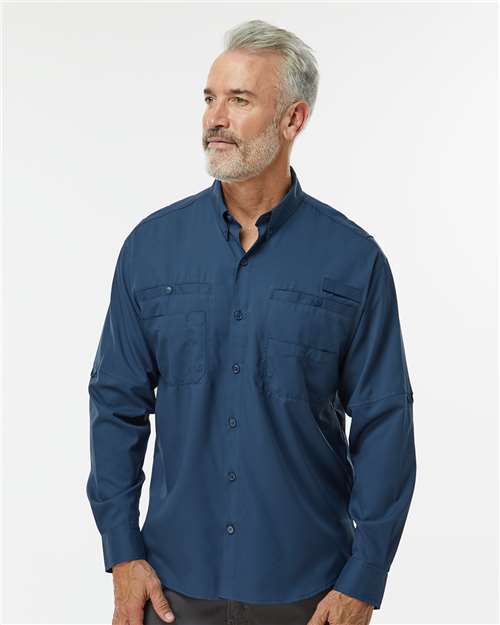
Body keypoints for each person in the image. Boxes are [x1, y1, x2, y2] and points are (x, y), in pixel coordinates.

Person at [86, 18, 416, 625]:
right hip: (172, 587)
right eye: (210, 98)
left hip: (309, 593)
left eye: (239, 100)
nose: (215, 118)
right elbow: (115, 404)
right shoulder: (150, 250)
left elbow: (384, 421)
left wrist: (365, 578)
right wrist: (122, 551)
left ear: (293, 119)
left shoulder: (353, 261)